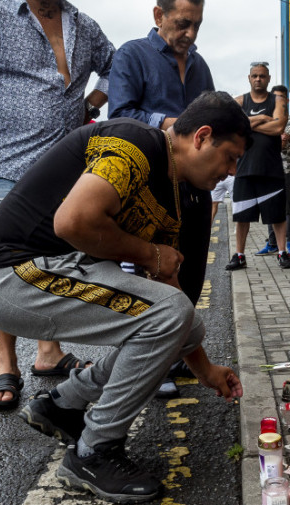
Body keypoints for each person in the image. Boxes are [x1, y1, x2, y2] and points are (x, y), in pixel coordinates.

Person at [0, 92, 246, 503]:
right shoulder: (135, 143)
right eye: (231, 157)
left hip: (57, 270)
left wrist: (202, 367)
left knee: (183, 319)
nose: (230, 172)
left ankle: (65, 403)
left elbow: (172, 299)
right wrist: (151, 253)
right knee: (170, 314)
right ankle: (95, 451)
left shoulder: (181, 192)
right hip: (10, 276)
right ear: (202, 137)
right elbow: (73, 220)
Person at [0, 0, 114, 409]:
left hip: (66, 172)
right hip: (9, 168)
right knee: (3, 267)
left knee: (51, 264)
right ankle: (6, 363)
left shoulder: (84, 25)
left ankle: (49, 353)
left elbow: (116, 66)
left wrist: (91, 103)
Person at [108, 0, 215, 398]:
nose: (190, 34)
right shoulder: (132, 55)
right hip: (150, 184)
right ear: (158, 16)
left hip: (194, 185)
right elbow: (120, 115)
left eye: (197, 25)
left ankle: (175, 354)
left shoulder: (200, 66)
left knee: (190, 272)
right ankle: (145, 361)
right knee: (152, 275)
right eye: (183, 24)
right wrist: (175, 125)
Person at [225, 63, 290, 270]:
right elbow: (233, 127)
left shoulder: (277, 100)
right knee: (242, 217)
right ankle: (239, 255)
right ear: (249, 78)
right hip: (244, 169)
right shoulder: (239, 101)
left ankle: (282, 252)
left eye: (262, 76)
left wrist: (249, 124)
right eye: (254, 76)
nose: (258, 79)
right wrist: (262, 118)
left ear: (268, 78)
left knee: (277, 216)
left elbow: (279, 126)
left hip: (271, 168)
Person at [256, 84, 290, 256]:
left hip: (284, 168)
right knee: (269, 206)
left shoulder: (289, 120)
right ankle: (272, 243)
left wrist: (264, 134)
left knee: (285, 207)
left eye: (281, 97)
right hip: (268, 168)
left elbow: (280, 142)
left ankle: (289, 242)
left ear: (286, 100)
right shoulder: (267, 119)